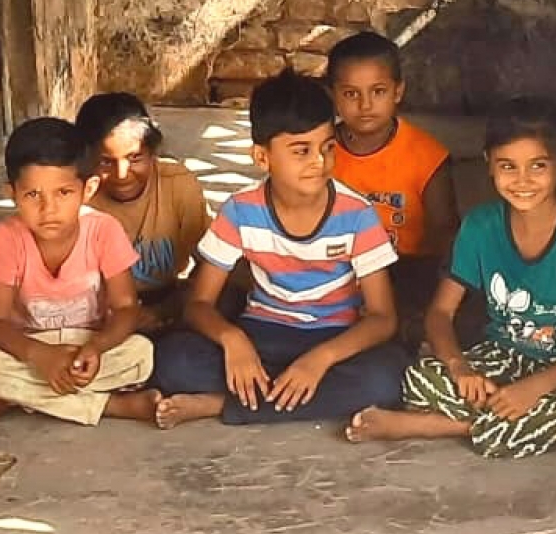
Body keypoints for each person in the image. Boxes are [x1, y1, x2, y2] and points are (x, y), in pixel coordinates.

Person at [346, 97, 556, 463]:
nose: (522, 181)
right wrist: (460, 368)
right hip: (503, 355)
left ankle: (423, 426)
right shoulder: (480, 226)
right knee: (420, 379)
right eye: (507, 166)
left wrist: (536, 387)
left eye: (538, 166)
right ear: (488, 165)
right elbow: (440, 315)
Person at [149, 69, 408, 429]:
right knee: (172, 361)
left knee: (387, 377)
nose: (319, 161)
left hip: (333, 337)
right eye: (301, 150)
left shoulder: (357, 215)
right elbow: (198, 303)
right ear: (262, 157)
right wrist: (233, 340)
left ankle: (224, 405)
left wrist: (320, 359)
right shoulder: (241, 211)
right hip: (262, 334)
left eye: (327, 147)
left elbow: (383, 318)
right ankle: (282, 394)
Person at [0, 118, 157, 426]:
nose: (48, 209)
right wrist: (40, 356)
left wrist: (96, 348)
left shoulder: (104, 230)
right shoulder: (6, 237)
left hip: (86, 344)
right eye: (33, 195)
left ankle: (17, 398)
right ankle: (112, 407)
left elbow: (126, 309)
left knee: (140, 354)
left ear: (88, 189)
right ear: (12, 193)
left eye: (63, 193)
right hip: (27, 345)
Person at [326, 31, 460, 350]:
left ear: (398, 91)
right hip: (335, 265)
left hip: (405, 268)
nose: (365, 105)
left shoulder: (427, 155)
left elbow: (446, 232)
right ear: (333, 95)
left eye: (378, 91)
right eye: (351, 94)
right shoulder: (321, 150)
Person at [75, 93, 211, 333]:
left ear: (152, 153)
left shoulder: (177, 183)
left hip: (166, 299)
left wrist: (164, 310)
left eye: (135, 157)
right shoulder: (78, 196)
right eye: (106, 162)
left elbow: (208, 266)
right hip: (97, 308)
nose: (122, 174)